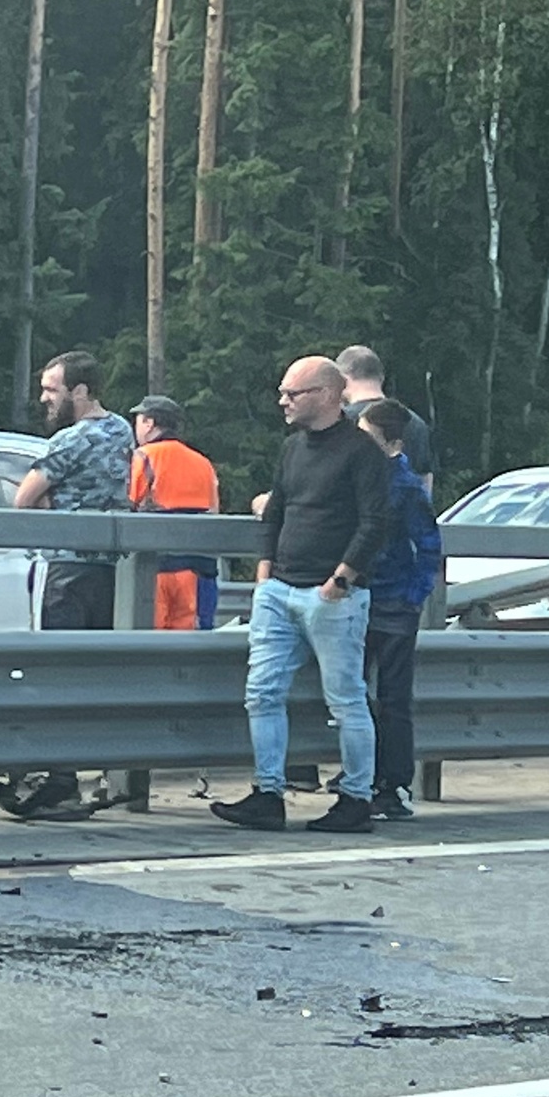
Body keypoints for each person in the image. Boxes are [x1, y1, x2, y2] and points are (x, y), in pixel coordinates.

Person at [210, 356, 394, 835]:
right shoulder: (293, 448)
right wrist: (265, 575)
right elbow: (276, 511)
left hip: (331, 595)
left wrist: (340, 581)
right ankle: (268, 793)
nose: (283, 401)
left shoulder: (362, 452)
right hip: (280, 591)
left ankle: (356, 798)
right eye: (283, 392)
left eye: (294, 393)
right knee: (262, 692)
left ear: (328, 395)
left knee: (346, 699)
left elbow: (376, 522)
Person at [0, 350, 133, 818]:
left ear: (80, 391)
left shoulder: (70, 440)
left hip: (66, 568)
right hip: (108, 569)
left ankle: (59, 779)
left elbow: (23, 500)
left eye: (52, 390)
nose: (44, 399)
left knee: (55, 671)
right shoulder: (122, 430)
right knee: (92, 673)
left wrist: (52, 501)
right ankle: (95, 774)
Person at [358, 397, 441, 821]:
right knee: (357, 696)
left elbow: (429, 546)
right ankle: (364, 776)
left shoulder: (405, 486)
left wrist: (414, 597)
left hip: (392, 602)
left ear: (387, 439)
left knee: (391, 698)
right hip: (362, 598)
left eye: (366, 433)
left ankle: (393, 784)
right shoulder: (368, 477)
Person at [126, 395, 221, 630]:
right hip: (199, 571)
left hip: (156, 569)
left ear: (149, 423)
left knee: (150, 646)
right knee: (192, 650)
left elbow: (129, 507)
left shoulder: (143, 457)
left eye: (138, 421)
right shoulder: (203, 463)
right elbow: (215, 512)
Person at [337, 345, 433, 495]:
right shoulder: (415, 422)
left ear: (343, 379)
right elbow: (424, 480)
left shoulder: (338, 422)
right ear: (381, 378)